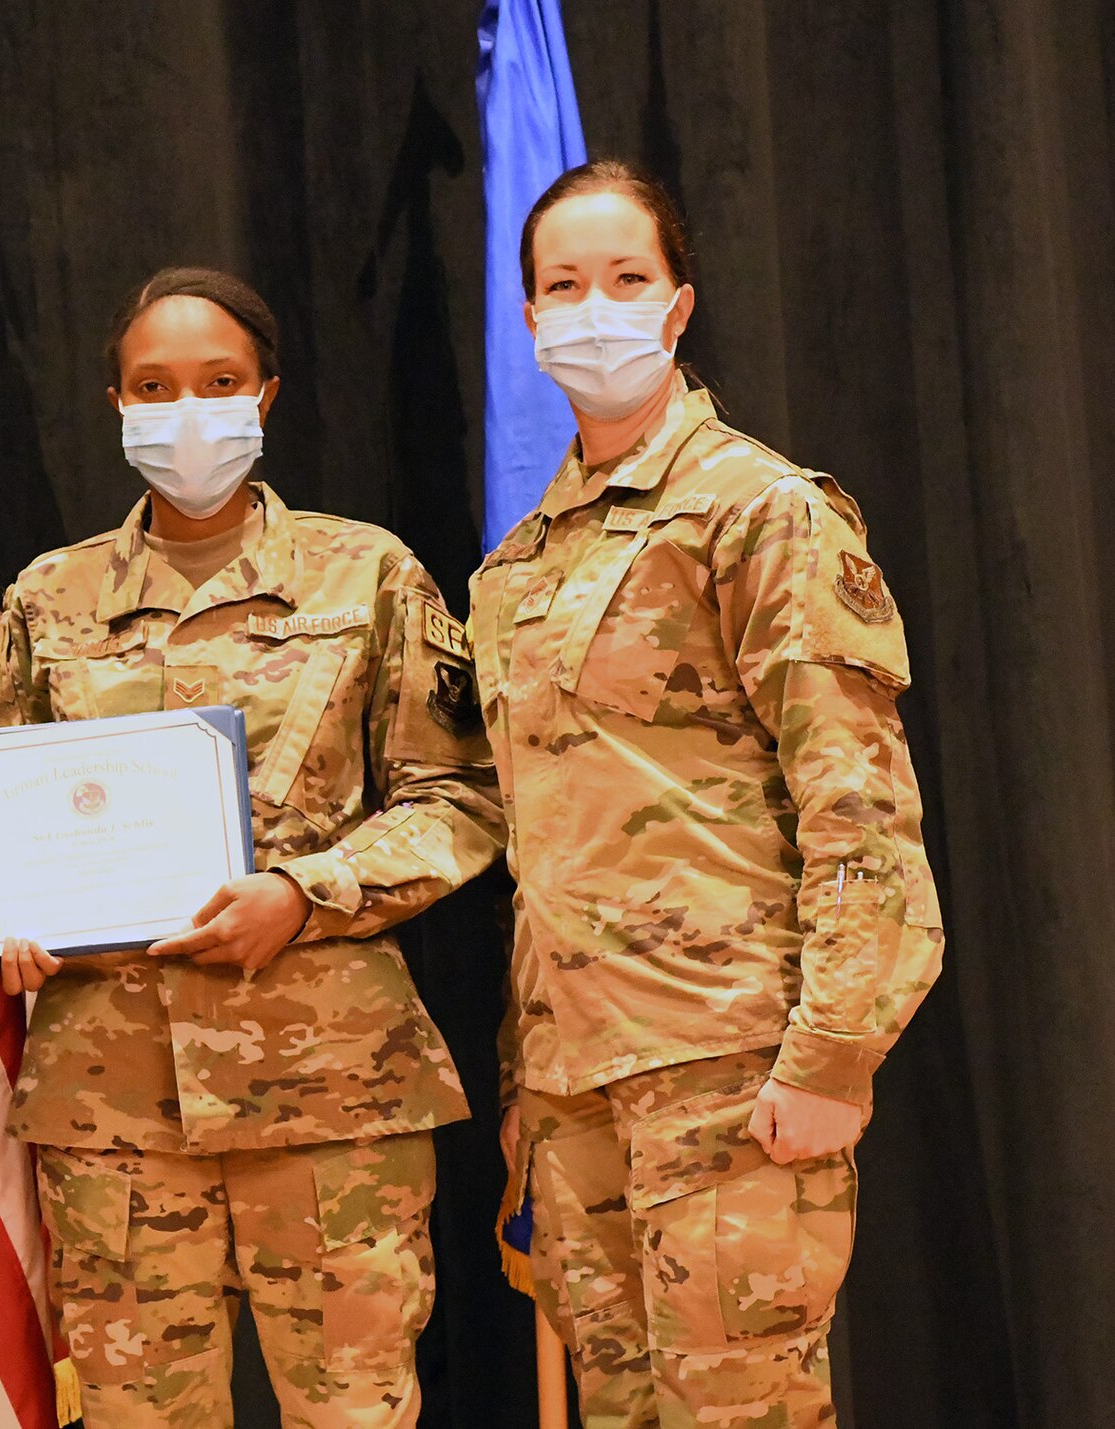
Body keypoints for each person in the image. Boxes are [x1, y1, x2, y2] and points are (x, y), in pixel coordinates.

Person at [0, 267, 507, 1428]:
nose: (184, 411)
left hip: (328, 1097)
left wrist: (306, 892)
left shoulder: (365, 573)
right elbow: (5, 824)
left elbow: (460, 793)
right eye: (152, 387)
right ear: (114, 406)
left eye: (216, 383)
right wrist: (11, 935)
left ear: (265, 395)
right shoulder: (46, 602)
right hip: (112, 1112)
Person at [471, 159, 945, 1426]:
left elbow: (857, 804)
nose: (593, 307)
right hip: (576, 1083)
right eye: (561, 285)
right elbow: (540, 839)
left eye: (625, 279)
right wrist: (528, 1082)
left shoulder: (758, 510)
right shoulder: (514, 568)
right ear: (526, 321)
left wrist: (834, 1049)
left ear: (676, 306)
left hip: (729, 1066)